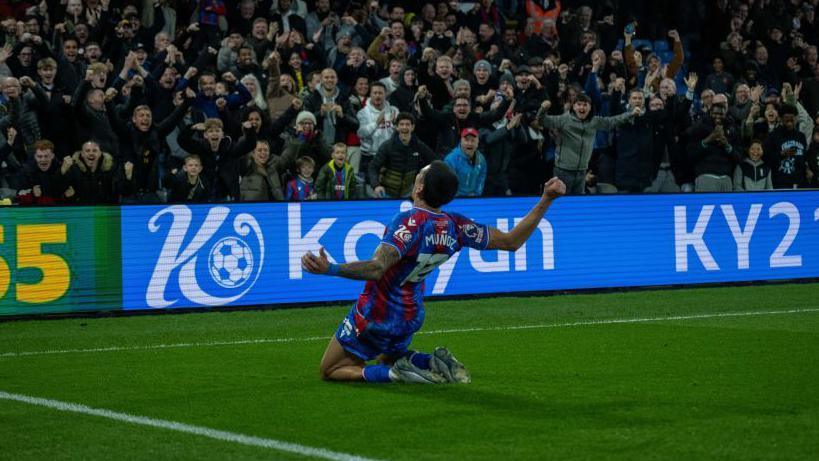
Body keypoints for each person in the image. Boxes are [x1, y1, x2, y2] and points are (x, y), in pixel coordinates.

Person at [301, 161, 566, 383]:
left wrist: (330, 268)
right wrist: (547, 199)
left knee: (329, 370)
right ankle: (429, 362)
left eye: (419, 176)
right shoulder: (456, 225)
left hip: (377, 312)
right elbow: (511, 242)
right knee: (390, 355)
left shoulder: (409, 221)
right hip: (411, 315)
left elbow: (377, 268)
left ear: (419, 187)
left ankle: (395, 375)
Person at [444, 128, 487, 197]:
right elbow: (448, 185)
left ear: (477, 142)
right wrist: (462, 198)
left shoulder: (481, 159)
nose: (469, 143)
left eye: (473, 140)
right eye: (466, 140)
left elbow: (481, 177)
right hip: (455, 199)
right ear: (461, 141)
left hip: (474, 198)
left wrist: (476, 194)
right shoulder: (450, 160)